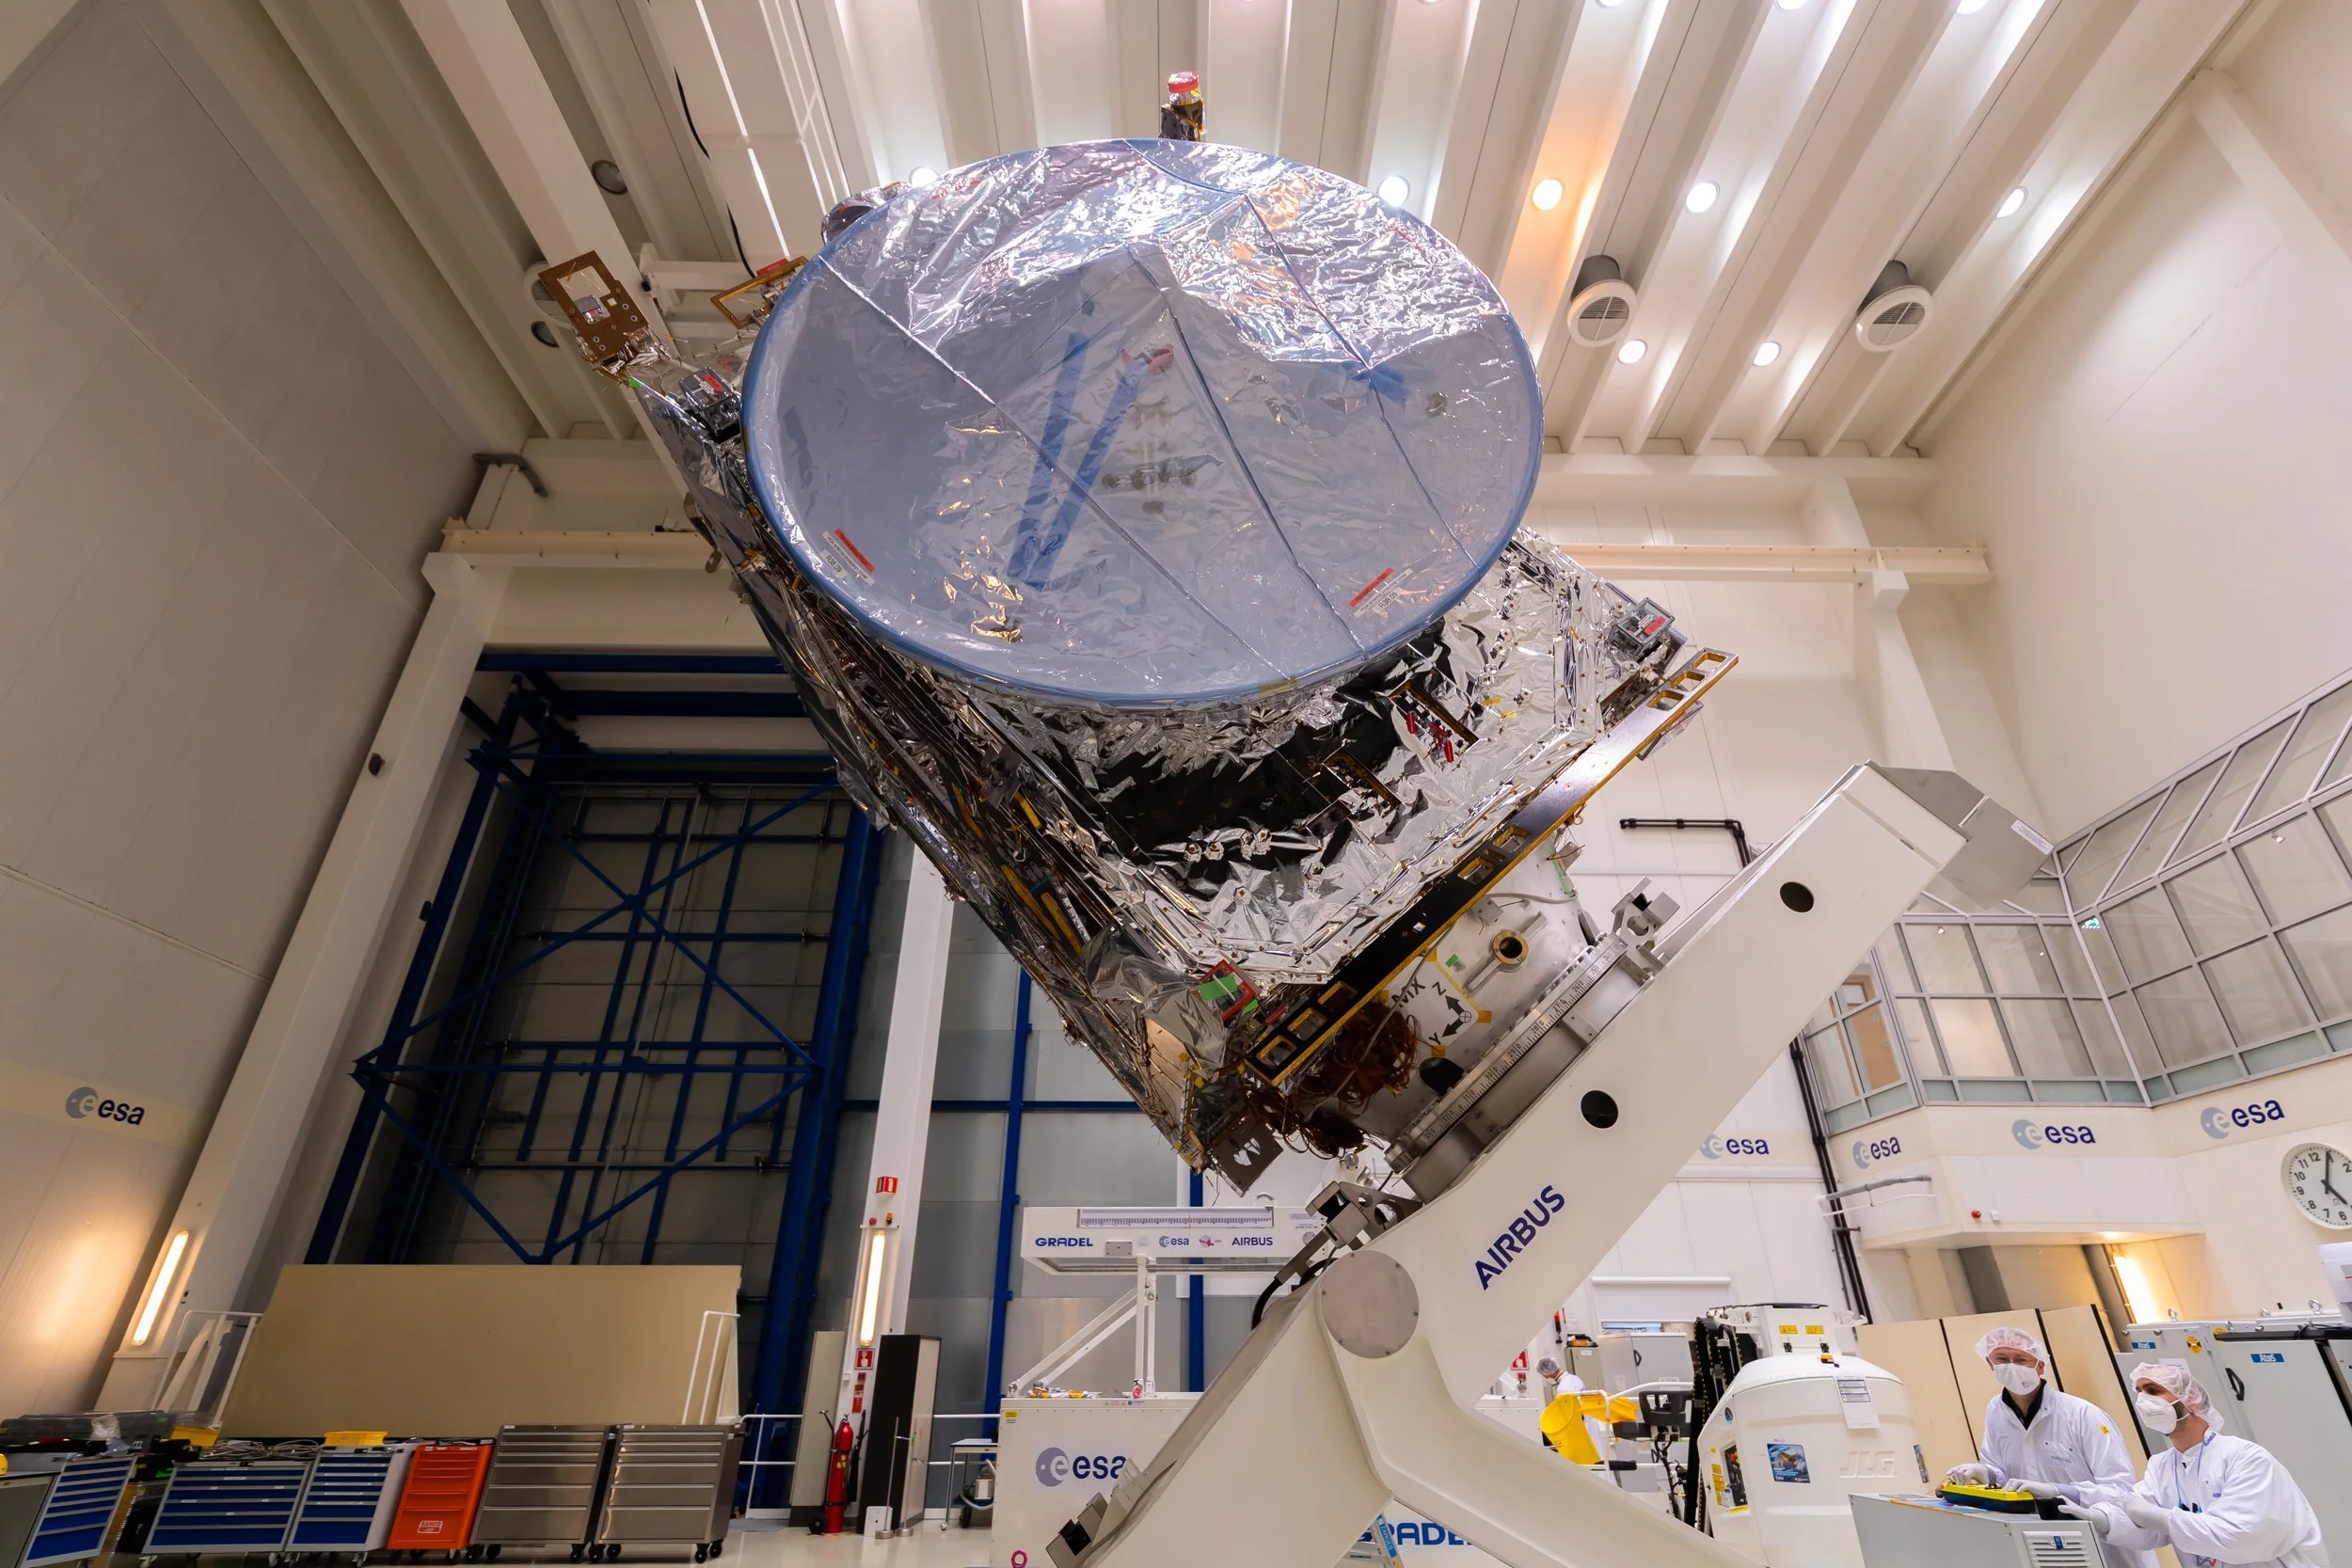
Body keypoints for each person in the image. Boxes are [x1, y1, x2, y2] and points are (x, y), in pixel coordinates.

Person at [2059, 1362, 2327, 1568]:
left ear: (2191, 1400)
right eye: (2139, 1392)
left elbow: (2242, 1537)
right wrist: (2102, 1520)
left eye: (2153, 1391)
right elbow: (2145, 1527)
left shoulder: (2244, 1458)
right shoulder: (2162, 1466)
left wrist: (2160, 1516)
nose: (2143, 1400)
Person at [1944, 1327, 2153, 1568]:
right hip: (2043, 1542)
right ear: (1990, 1363)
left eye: (2021, 1359)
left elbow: (2119, 1490)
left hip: (2106, 1546)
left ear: (2040, 1366)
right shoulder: (1995, 1411)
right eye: (2002, 1359)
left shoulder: (2083, 1415)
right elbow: (2003, 1471)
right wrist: (1987, 1473)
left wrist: (2056, 1490)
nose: (2011, 1366)